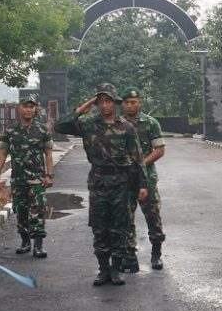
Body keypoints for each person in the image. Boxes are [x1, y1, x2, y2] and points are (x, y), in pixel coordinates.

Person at [54, 83, 148, 286]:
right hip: (98, 182)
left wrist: (142, 185)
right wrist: (83, 108)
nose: (105, 105)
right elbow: (59, 126)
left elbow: (138, 158)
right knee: (99, 227)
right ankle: (103, 269)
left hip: (120, 183)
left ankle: (115, 270)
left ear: (115, 103)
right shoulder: (88, 124)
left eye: (108, 101)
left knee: (119, 228)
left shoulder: (126, 127)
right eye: (101, 101)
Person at [0, 94, 54, 259]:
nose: (28, 109)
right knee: (21, 211)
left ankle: (38, 246)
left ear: (35, 109)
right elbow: (3, 151)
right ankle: (25, 242)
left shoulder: (42, 129)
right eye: (25, 106)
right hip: (18, 179)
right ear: (19, 109)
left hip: (37, 179)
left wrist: (49, 175)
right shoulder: (11, 130)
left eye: (31, 106)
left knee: (38, 210)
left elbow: (48, 153)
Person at [120, 86, 168, 271]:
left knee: (153, 216)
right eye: (127, 102)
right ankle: (129, 254)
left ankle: (156, 254)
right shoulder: (118, 124)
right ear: (122, 105)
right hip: (124, 179)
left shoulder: (150, 123)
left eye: (134, 102)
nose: (131, 105)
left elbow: (160, 150)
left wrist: (140, 164)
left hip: (147, 179)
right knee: (125, 218)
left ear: (140, 103)